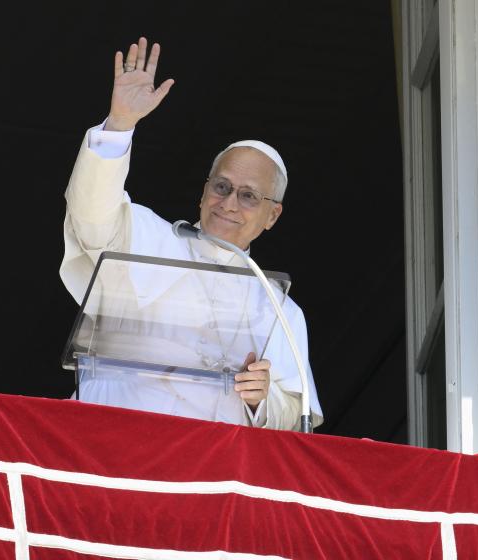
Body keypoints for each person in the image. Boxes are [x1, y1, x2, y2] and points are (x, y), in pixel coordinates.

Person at [60, 37, 322, 430]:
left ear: (273, 215)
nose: (229, 203)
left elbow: (296, 419)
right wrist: (120, 125)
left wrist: (263, 396)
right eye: (221, 186)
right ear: (204, 191)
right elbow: (90, 217)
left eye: (248, 196)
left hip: (209, 471)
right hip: (115, 440)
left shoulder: (279, 310)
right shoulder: (148, 238)